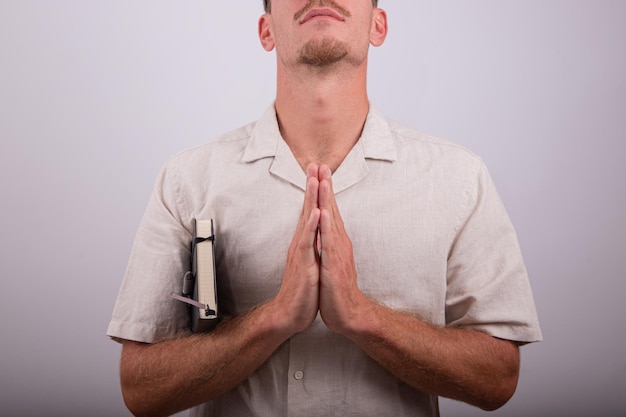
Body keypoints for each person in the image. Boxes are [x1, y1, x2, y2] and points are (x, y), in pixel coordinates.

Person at [107, 1, 542, 416]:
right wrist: (273, 319)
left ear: (378, 25)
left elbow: (498, 378)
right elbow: (141, 390)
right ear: (266, 31)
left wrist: (360, 315)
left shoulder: (460, 179)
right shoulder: (187, 180)